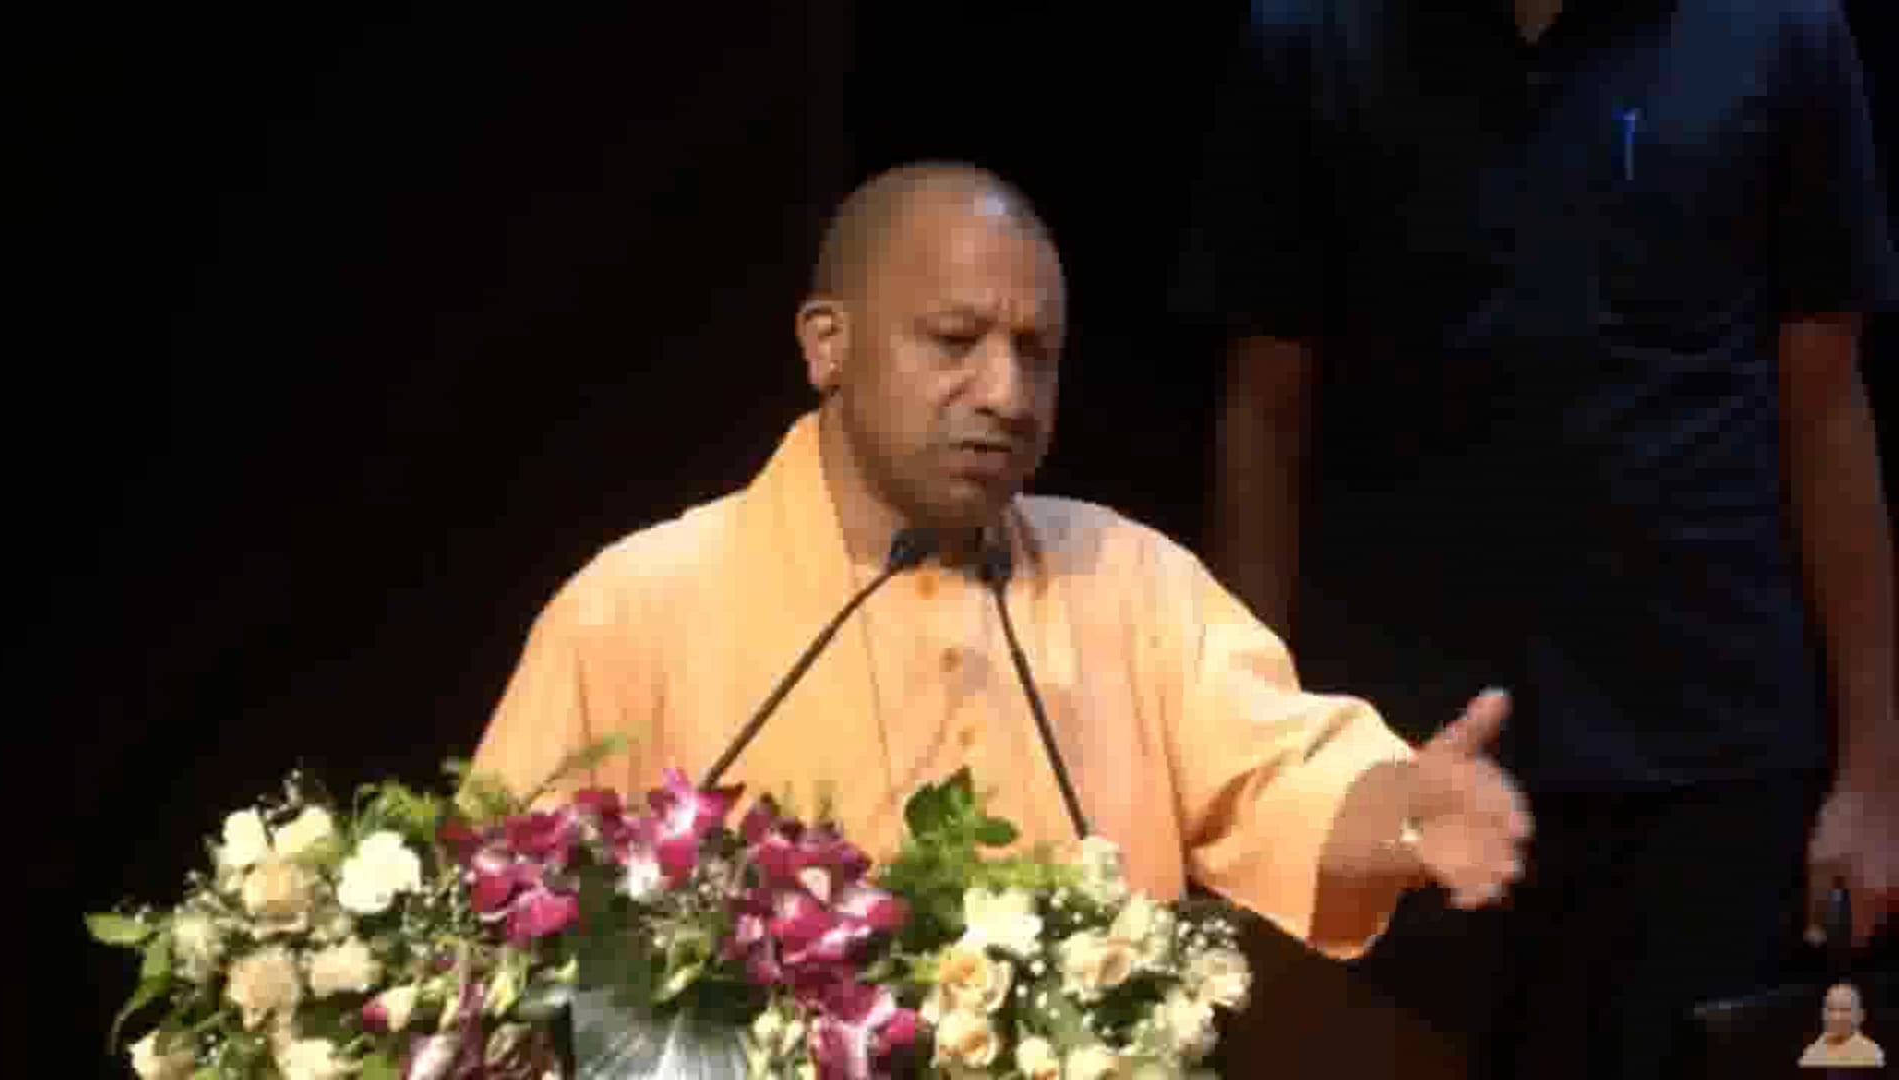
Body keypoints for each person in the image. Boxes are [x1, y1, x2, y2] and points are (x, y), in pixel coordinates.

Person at [470, 162, 1533, 964]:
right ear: (827, 343)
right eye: (955, 340)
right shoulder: (636, 610)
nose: (1007, 395)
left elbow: (1284, 782)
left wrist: (1404, 811)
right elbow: (489, 937)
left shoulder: (1127, 580)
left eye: (1037, 353)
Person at [1173, 0, 1899, 1077]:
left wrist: (1873, 776)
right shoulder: (1313, 34)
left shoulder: (1782, 27)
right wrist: (1250, 764)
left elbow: (1827, 405)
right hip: (1404, 747)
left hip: (1717, 755)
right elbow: (1264, 411)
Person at [1800, 982, 1887, 1069]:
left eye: (1845, 1010)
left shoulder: (1870, 1054)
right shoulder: (1813, 1050)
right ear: (1823, 1013)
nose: (1836, 1017)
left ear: (1860, 1015)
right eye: (1831, 1009)